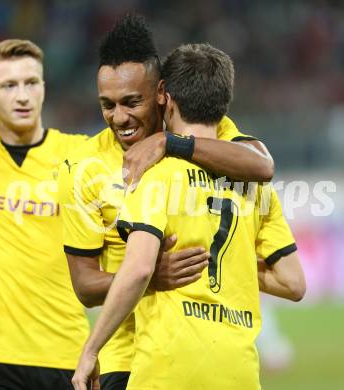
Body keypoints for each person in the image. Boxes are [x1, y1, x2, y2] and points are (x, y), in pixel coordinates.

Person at [58, 14, 281, 390]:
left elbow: (262, 165)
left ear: (161, 93)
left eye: (132, 102)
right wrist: (150, 278)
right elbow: (84, 284)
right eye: (107, 105)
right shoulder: (83, 170)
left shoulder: (200, 132)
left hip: (193, 350)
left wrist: (169, 143)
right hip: (124, 355)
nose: (120, 118)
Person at [0, 39, 90, 389]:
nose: (22, 96)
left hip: (65, 353)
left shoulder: (81, 154)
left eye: (31, 83)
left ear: (44, 88)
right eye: (8, 85)